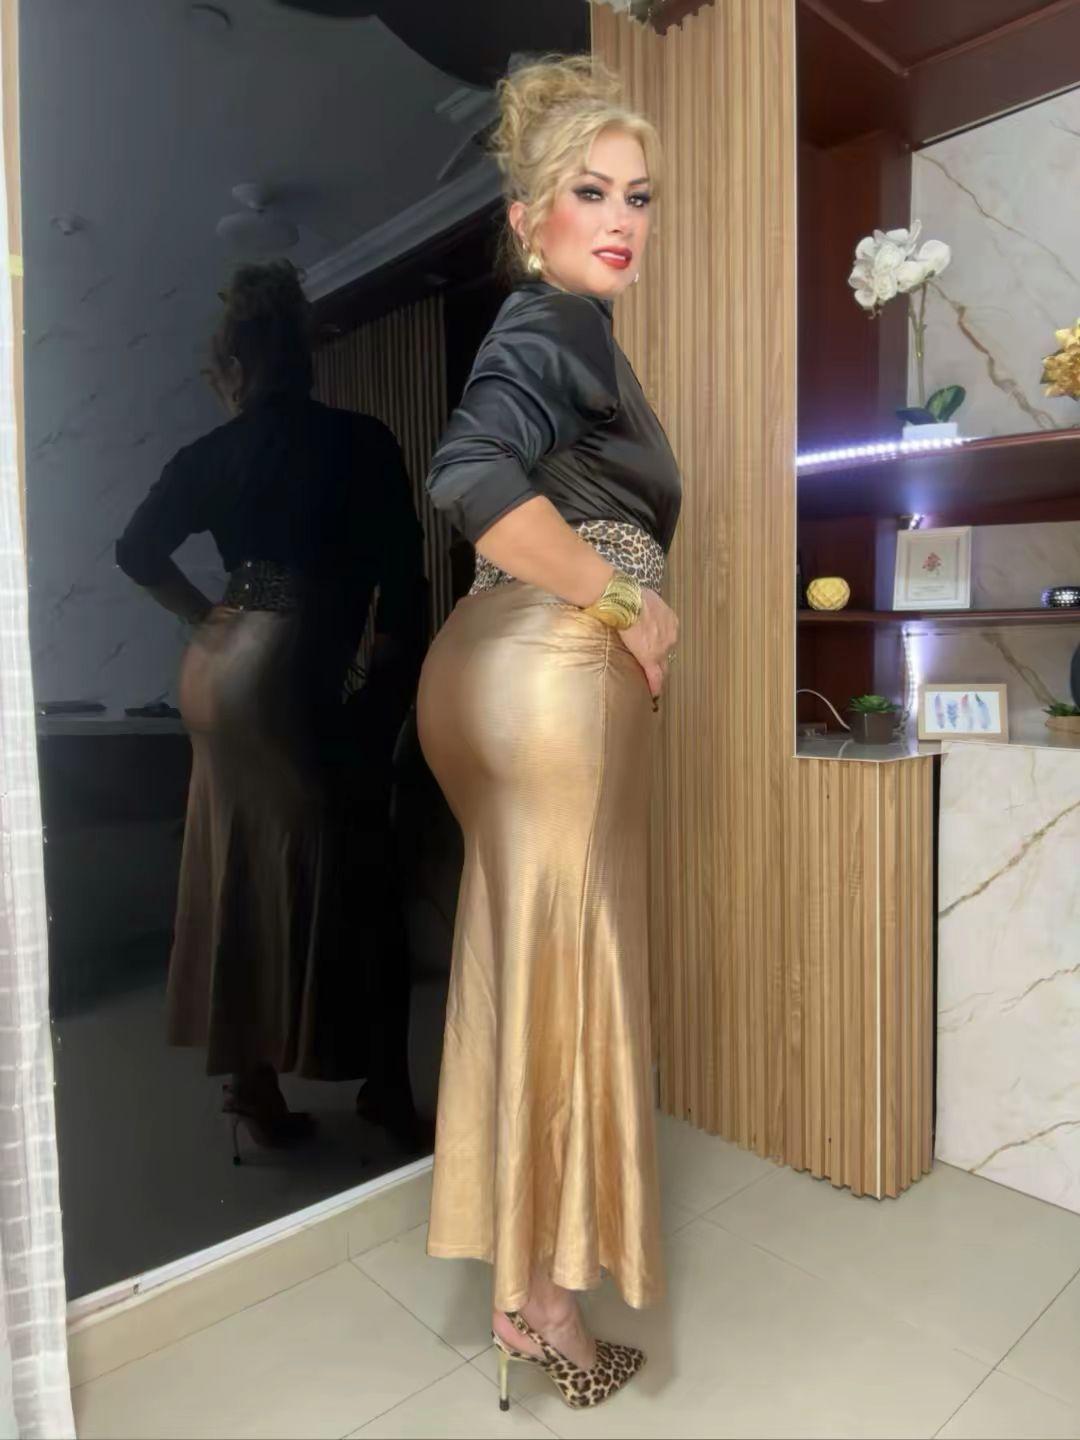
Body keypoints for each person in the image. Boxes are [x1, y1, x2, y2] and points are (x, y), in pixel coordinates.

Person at [418, 56, 681, 1411]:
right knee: (573, 970)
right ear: (529, 216)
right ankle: (553, 1310)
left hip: (488, 662)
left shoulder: (563, 327)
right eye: (590, 191)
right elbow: (468, 470)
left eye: (638, 194)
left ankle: (522, 1285)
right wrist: (629, 602)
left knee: (524, 966)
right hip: (554, 668)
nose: (620, 218)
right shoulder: (557, 320)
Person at [116, 261, 425, 1157]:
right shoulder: (360, 441)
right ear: (304, 356)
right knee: (365, 872)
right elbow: (401, 584)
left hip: (216, 673)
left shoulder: (211, 454)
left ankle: (252, 1086)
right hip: (291, 673)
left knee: (237, 869)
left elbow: (136, 550)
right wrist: (386, 687)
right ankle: (385, 1090)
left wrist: (205, 619)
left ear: (235, 368)